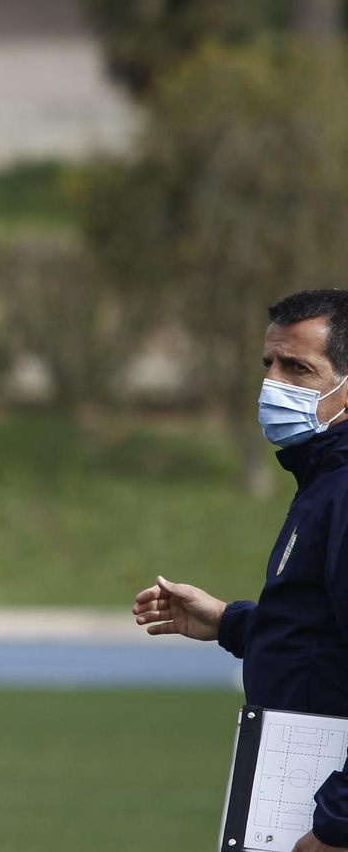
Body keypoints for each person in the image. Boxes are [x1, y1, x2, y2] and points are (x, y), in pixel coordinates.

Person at [134, 289, 348, 852]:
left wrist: (339, 825)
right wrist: (232, 623)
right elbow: (322, 642)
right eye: (269, 364)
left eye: (297, 368)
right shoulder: (324, 480)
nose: (272, 384)